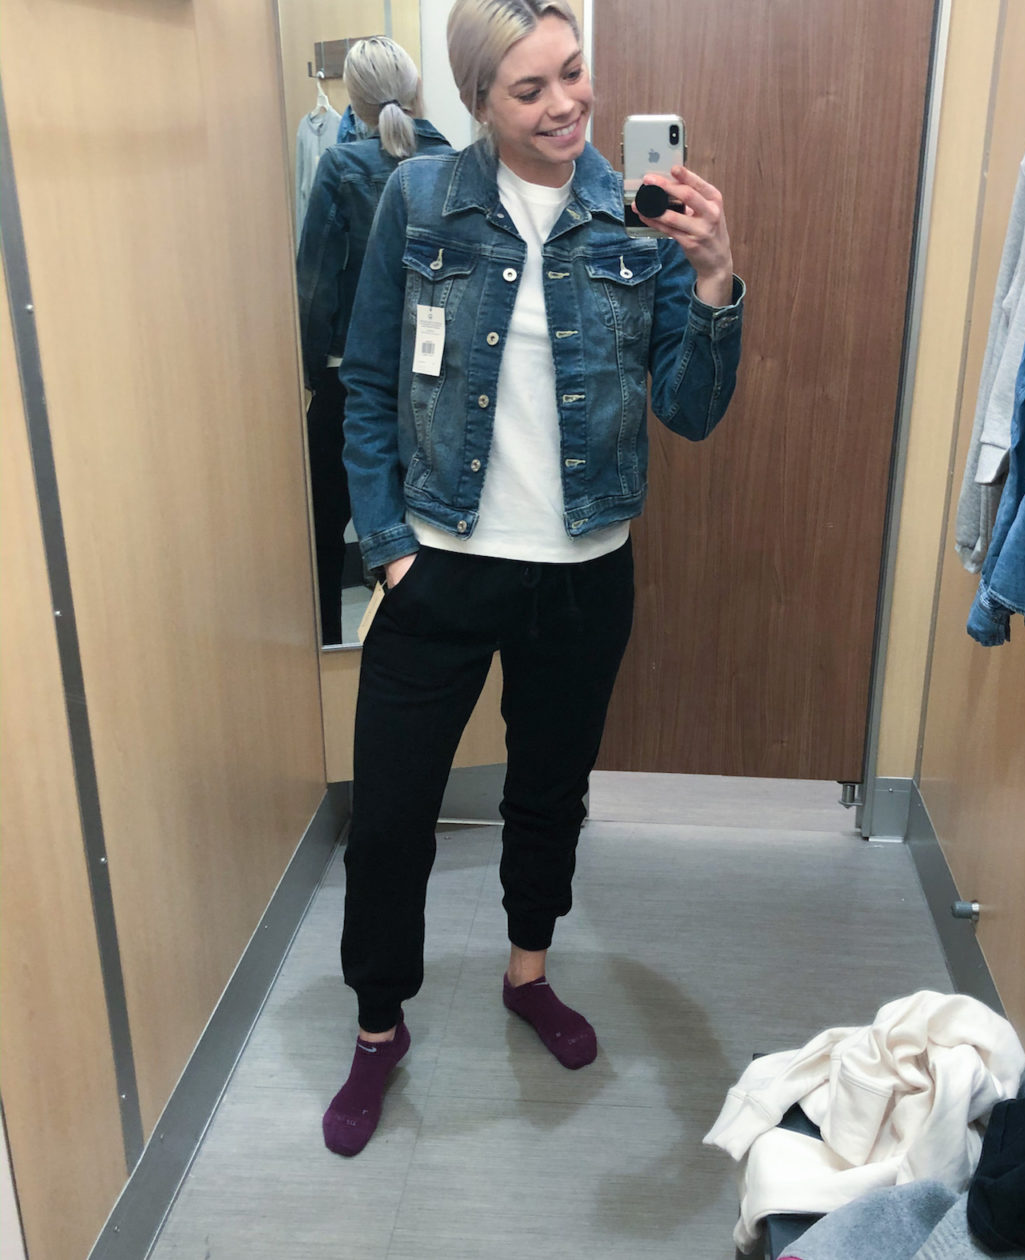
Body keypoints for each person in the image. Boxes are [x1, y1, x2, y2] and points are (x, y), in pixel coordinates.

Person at [323, 0, 745, 1156]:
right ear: (478, 101)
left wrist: (713, 281)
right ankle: (377, 1027)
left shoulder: (636, 213)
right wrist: (388, 546)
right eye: (530, 88)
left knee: (548, 797)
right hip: (440, 570)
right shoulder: (420, 200)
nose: (566, 104)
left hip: (582, 576)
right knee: (391, 818)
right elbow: (369, 383)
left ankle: (527, 973)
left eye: (574, 71)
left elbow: (691, 411)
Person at [296, 37, 451, 645]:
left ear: (353, 102)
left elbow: (315, 286)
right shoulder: (458, 163)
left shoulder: (342, 168)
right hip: (436, 383)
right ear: (418, 91)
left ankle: (328, 645)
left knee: (322, 526)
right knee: (432, 528)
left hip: (349, 381)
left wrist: (313, 374)